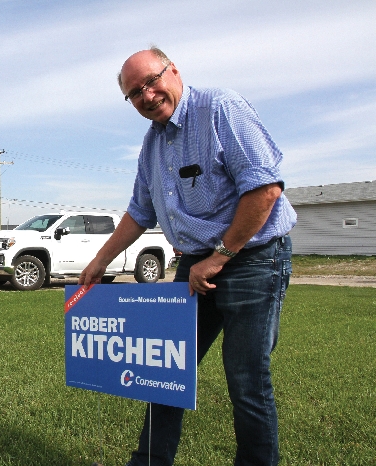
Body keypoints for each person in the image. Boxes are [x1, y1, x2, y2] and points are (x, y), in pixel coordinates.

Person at [80, 47, 296, 466]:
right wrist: (100, 261)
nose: (147, 95)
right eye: (134, 93)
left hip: (251, 260)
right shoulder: (152, 144)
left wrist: (218, 257)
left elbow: (265, 190)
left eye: (151, 81)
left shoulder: (220, 108)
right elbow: (140, 211)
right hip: (195, 266)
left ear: (173, 70)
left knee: (246, 379)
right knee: (164, 375)